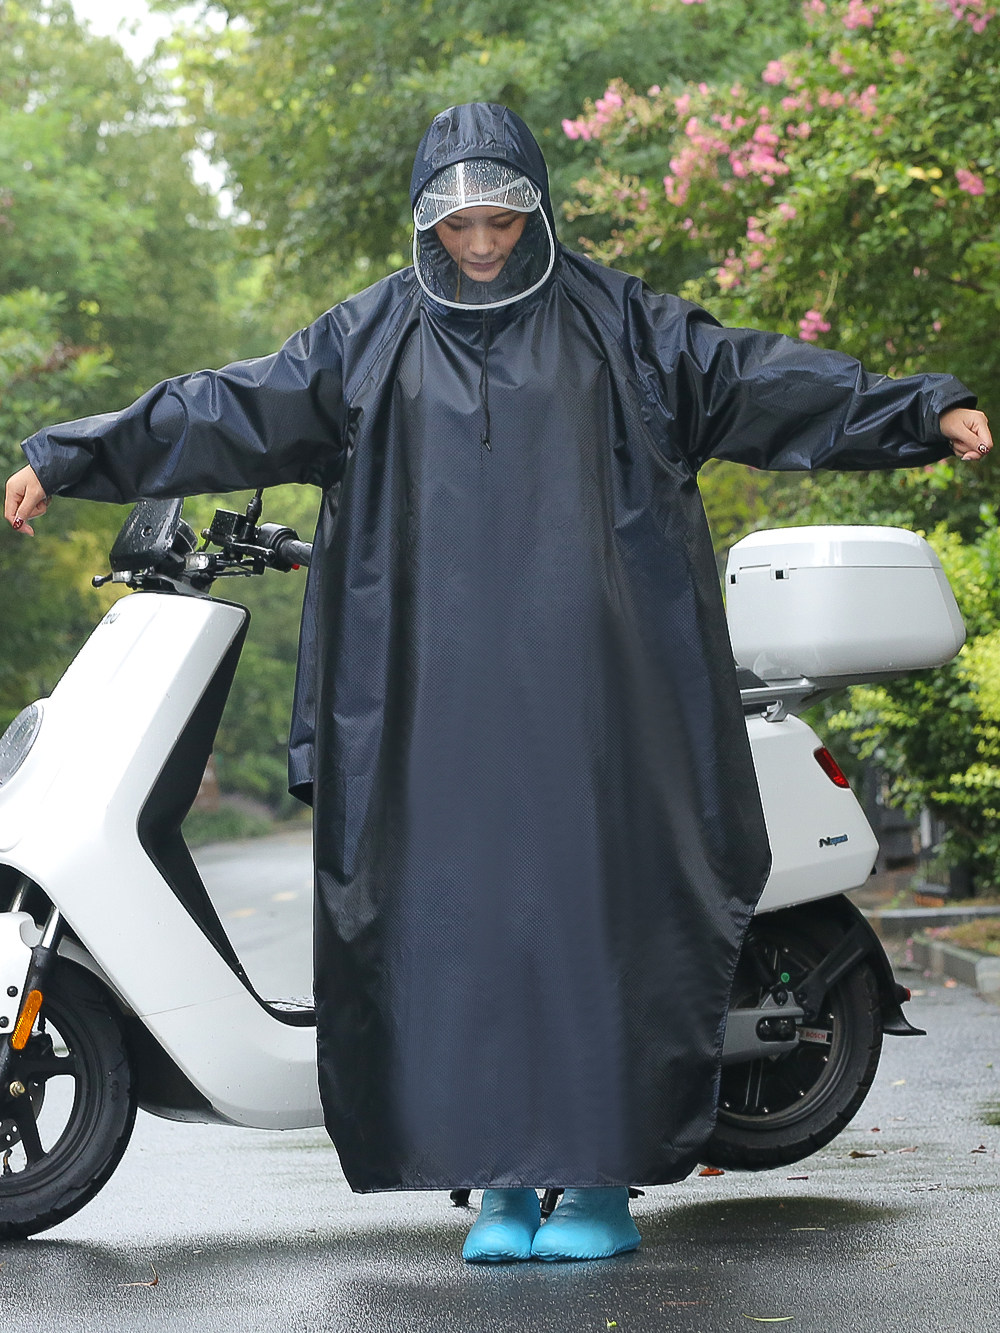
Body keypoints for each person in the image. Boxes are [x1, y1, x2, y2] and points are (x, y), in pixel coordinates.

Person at [4, 102, 992, 1264]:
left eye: (500, 217)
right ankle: (501, 1187)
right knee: (454, 937)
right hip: (431, 710)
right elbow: (226, 406)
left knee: (589, 935)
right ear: (429, 219)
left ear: (535, 205)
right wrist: (66, 456)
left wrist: (918, 409)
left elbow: (766, 380)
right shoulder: (366, 341)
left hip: (596, 707)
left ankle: (597, 1187)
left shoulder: (626, 328)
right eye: (459, 222)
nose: (481, 241)